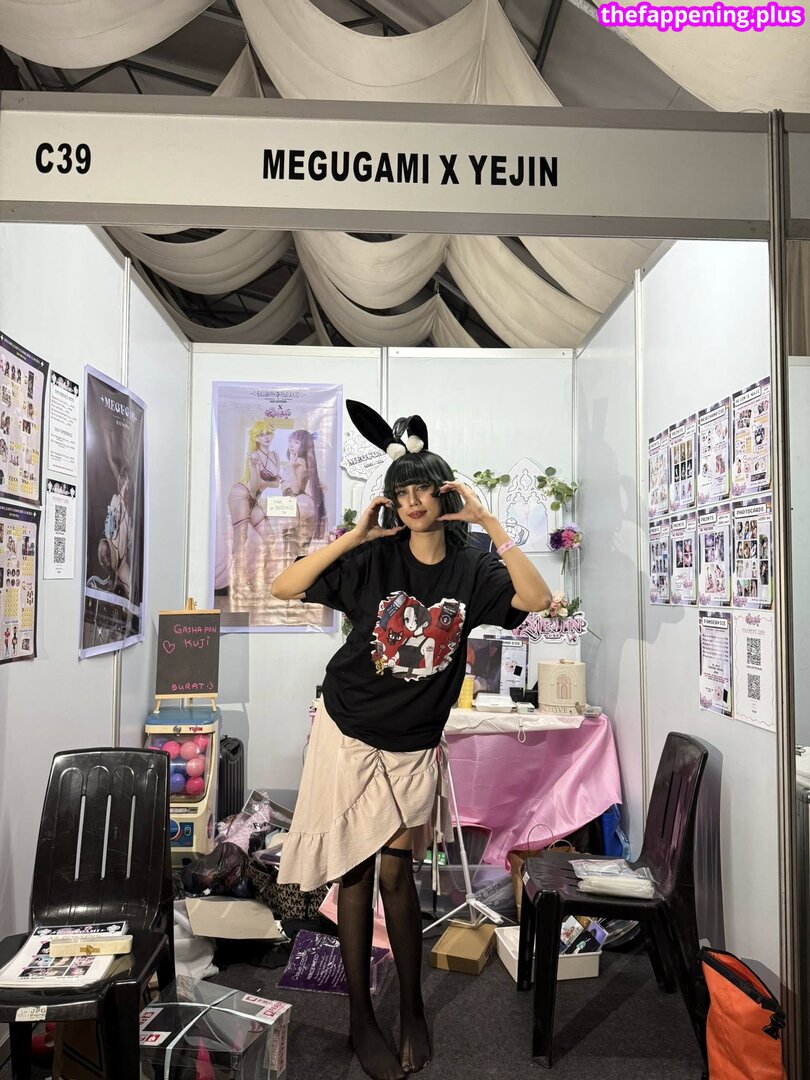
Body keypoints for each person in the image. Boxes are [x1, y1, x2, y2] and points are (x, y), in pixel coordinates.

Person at [271, 401, 551, 1080]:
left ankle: (412, 1010)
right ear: (390, 503)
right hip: (349, 730)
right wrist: (354, 537)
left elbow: (537, 600)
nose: (413, 501)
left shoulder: (474, 564)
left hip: (415, 742)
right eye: (401, 493)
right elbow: (285, 585)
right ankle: (360, 1017)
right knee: (356, 873)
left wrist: (490, 523)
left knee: (399, 873)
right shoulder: (374, 558)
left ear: (443, 493)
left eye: (423, 488)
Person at [227, 419, 282, 594]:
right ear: (256, 438)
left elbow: (276, 483)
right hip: (240, 495)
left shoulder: (275, 456)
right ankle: (238, 582)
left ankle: (261, 579)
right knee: (241, 538)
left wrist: (267, 481)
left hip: (254, 499)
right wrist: (257, 470)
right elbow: (259, 483)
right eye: (261, 434)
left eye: (268, 433)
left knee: (270, 538)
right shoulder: (253, 456)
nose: (266, 437)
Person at [279, 428, 327, 563]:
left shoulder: (298, 461)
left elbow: (295, 489)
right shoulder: (305, 462)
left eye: (296, 442)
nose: (291, 445)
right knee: (302, 547)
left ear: (304, 446)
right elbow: (322, 486)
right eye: (290, 441)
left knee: (290, 549)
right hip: (301, 503)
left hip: (293, 502)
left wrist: (291, 466)